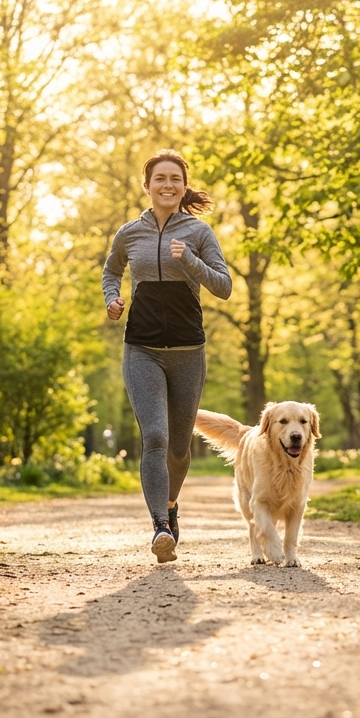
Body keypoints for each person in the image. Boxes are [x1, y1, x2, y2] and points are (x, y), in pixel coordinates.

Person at [101, 149, 232, 562]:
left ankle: (171, 506)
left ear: (183, 185)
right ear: (148, 185)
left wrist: (189, 260)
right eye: (160, 178)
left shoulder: (198, 232)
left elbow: (224, 286)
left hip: (188, 351)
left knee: (178, 447)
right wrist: (112, 299)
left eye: (175, 178)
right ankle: (160, 527)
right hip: (141, 349)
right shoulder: (129, 233)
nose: (167, 185)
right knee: (154, 436)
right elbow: (111, 271)